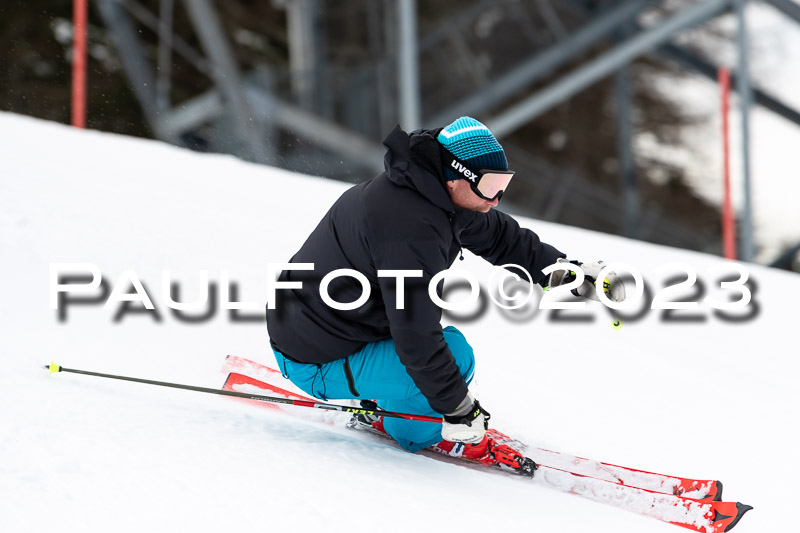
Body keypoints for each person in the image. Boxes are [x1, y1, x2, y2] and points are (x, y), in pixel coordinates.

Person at [265, 116, 623, 473]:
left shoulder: (432, 194)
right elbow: (417, 338)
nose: (496, 199)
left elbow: (502, 238)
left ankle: (390, 400)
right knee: (454, 354)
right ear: (456, 175)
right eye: (489, 185)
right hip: (314, 359)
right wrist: (457, 411)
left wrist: (568, 273)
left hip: (329, 331)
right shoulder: (408, 230)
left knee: (440, 351)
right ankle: (415, 432)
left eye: (503, 184)